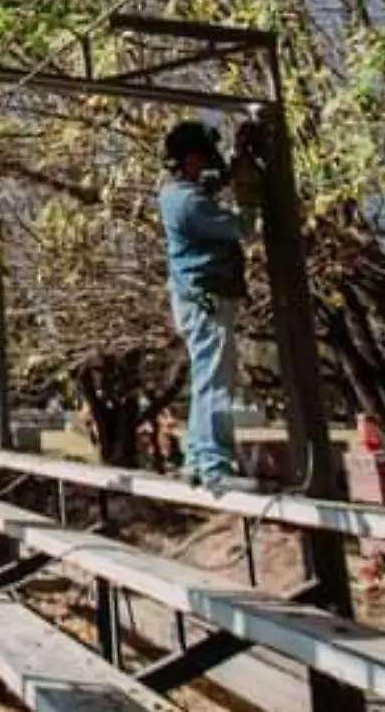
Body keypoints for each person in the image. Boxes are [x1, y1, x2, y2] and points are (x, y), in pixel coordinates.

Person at [158, 119, 263, 491]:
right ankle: (216, 467)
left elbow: (213, 184)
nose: (211, 164)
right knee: (216, 379)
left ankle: (199, 461)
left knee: (206, 377)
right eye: (205, 158)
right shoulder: (189, 203)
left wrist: (236, 160)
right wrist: (250, 193)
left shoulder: (175, 194)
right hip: (206, 299)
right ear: (189, 160)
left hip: (194, 299)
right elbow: (243, 228)